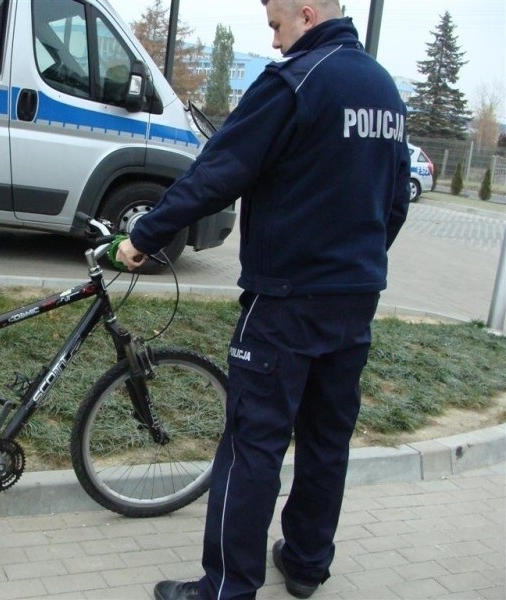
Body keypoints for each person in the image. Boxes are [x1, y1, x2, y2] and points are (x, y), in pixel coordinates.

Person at [116, 1, 410, 599]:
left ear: (306, 13)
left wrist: (145, 235)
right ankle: (305, 564)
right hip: (355, 301)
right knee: (327, 442)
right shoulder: (383, 90)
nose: (274, 42)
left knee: (253, 444)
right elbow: (396, 197)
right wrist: (360, 263)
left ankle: (225, 588)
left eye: (276, 25)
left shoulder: (295, 81)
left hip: (284, 303)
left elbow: (218, 171)